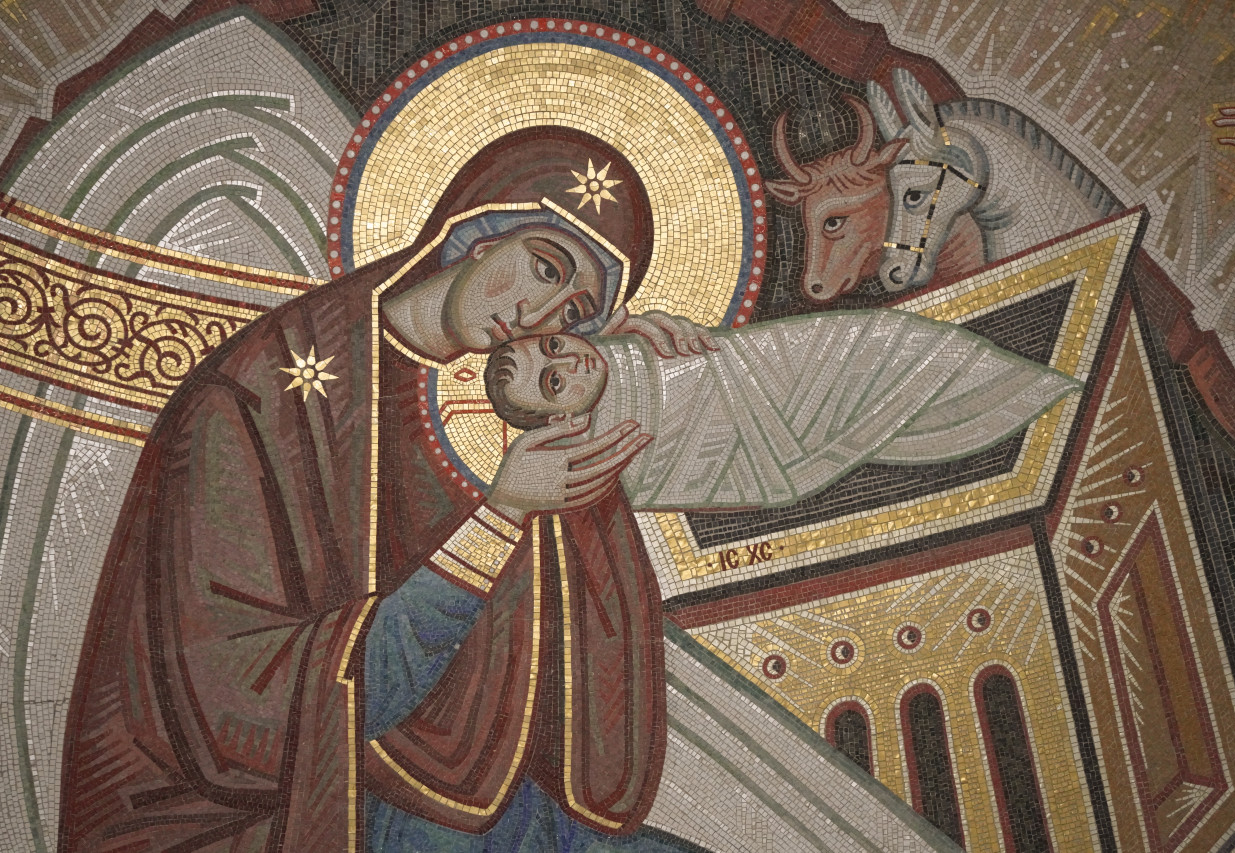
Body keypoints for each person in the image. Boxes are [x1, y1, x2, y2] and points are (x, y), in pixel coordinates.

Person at [59, 128, 707, 852]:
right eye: (543, 268)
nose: (536, 315)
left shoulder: (496, 405)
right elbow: (231, 703)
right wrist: (501, 515)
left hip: (434, 789)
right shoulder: (264, 391)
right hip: (281, 810)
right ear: (478, 230)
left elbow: (578, 656)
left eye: (572, 312)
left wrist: (610, 379)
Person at [485, 312, 1081, 510]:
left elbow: (721, 352)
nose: (572, 360)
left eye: (555, 345)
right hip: (772, 434)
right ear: (557, 421)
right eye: (556, 382)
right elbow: (672, 471)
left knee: (871, 340)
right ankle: (1000, 390)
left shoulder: (621, 339)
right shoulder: (598, 455)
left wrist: (627, 327)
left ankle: (998, 384)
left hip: (771, 362)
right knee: (878, 372)